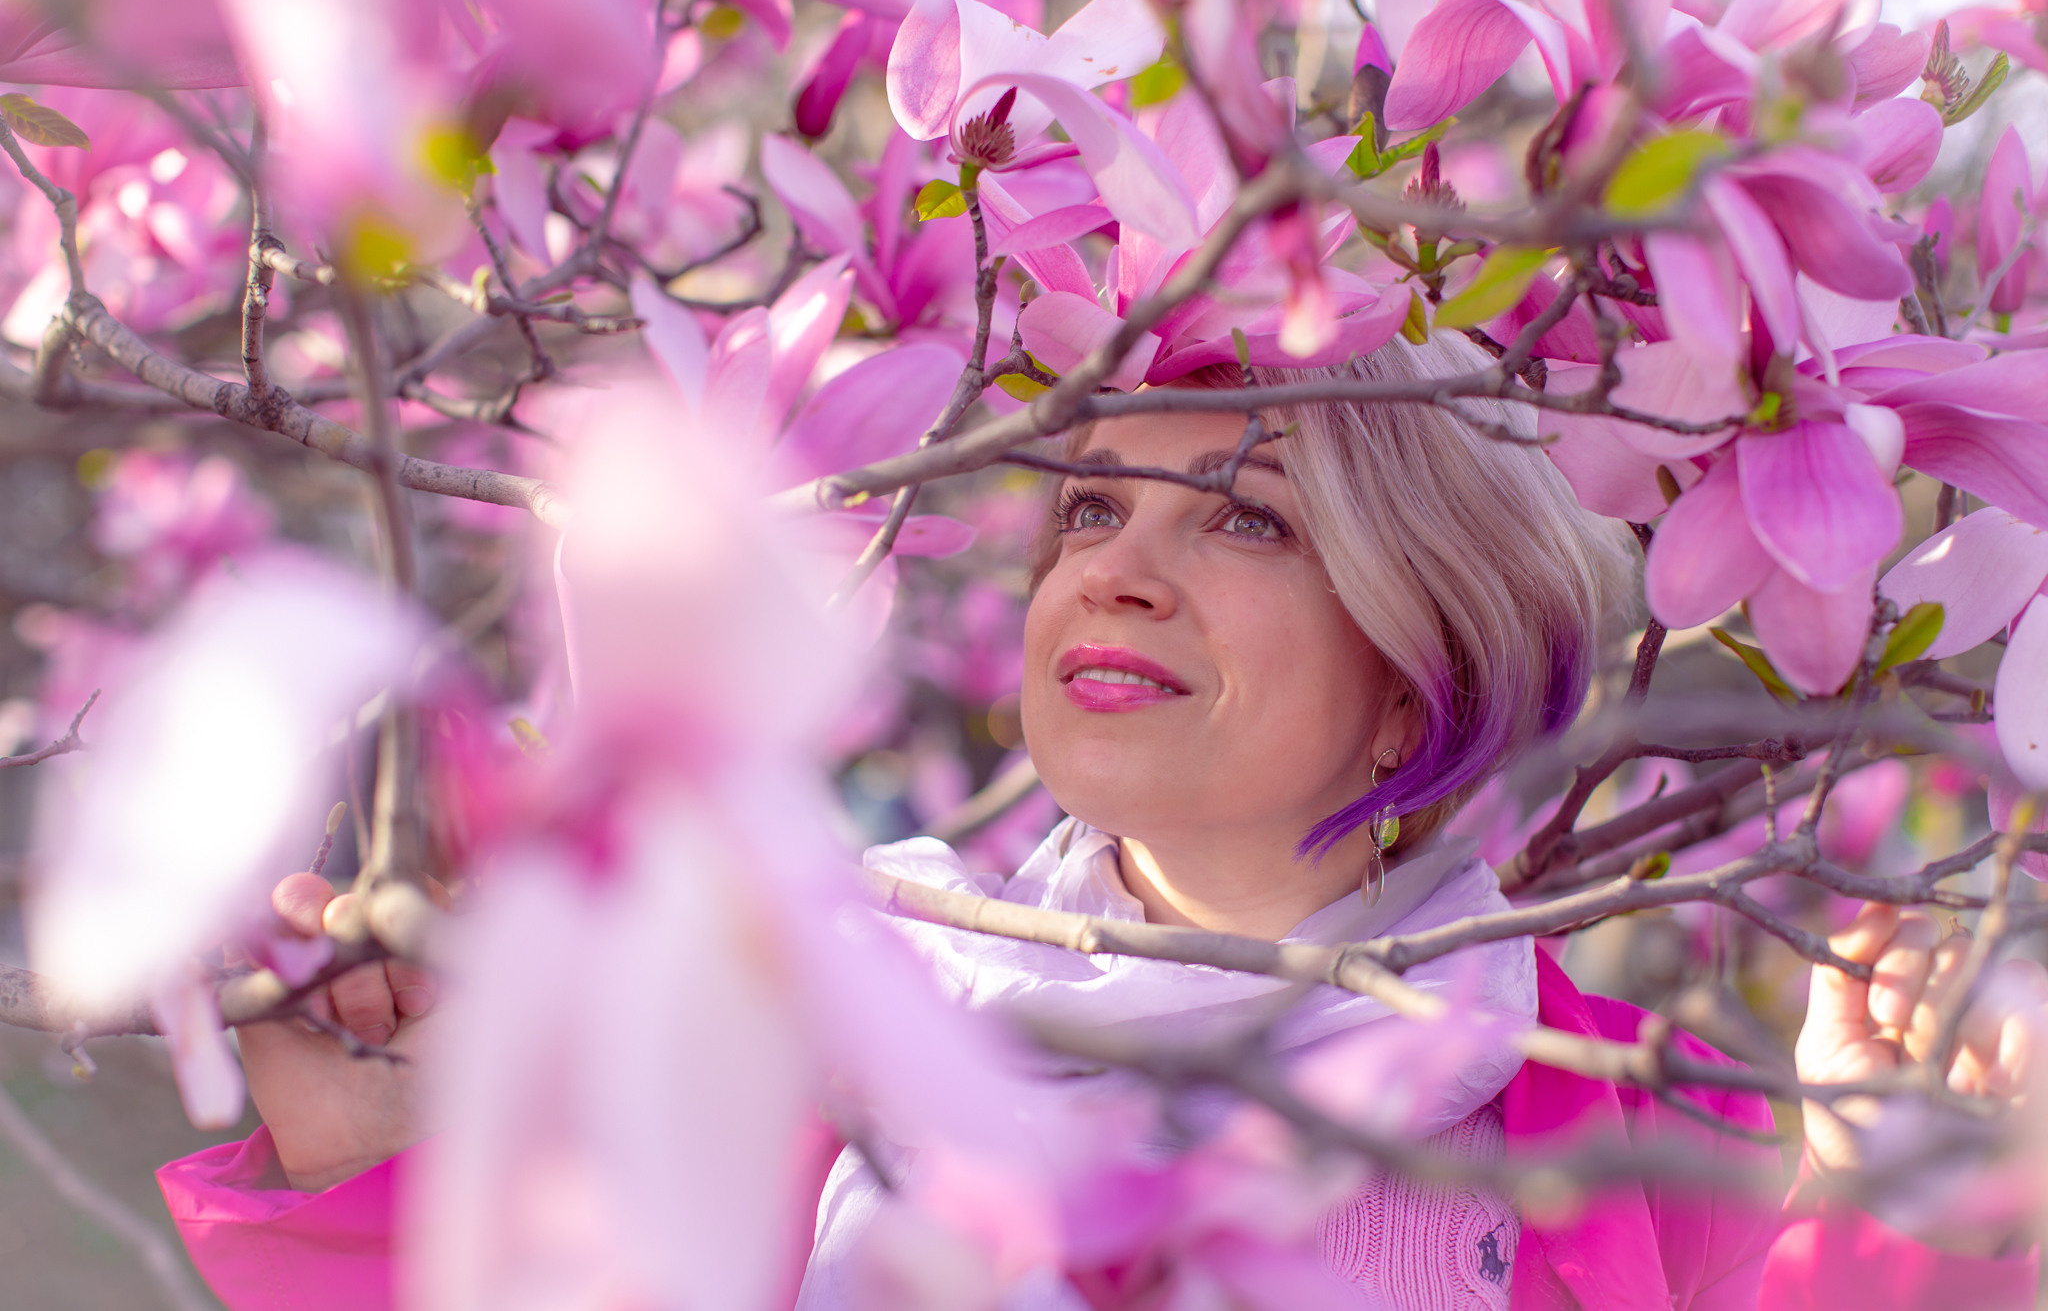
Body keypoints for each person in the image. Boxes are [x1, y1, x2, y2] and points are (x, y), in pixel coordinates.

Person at [159, 335, 2047, 1309]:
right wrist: (371, 1173)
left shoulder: (1645, 1148)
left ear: (1420, 658)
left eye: (1242, 517)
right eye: (1085, 510)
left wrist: (1909, 1223)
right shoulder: (827, 1039)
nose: (1115, 574)